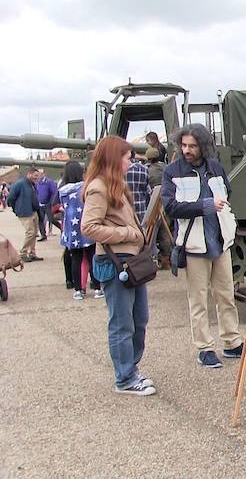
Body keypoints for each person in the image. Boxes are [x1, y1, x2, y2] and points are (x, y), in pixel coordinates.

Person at [161, 123, 246, 368]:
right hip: (194, 244)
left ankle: (232, 342)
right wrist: (204, 205)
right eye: (183, 145)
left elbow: (228, 191)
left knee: (226, 295)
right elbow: (170, 207)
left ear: (203, 147)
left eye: (192, 146)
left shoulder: (215, 167)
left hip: (220, 240)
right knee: (198, 299)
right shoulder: (172, 171)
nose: (186, 150)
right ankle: (204, 347)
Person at [81, 136, 156, 396]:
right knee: (122, 322)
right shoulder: (99, 187)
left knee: (139, 318)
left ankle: (131, 369)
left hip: (131, 261)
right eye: (127, 158)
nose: (131, 162)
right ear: (115, 158)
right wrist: (127, 233)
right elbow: (89, 227)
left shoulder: (117, 186)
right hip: (116, 263)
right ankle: (124, 377)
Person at [58, 161, 103, 300]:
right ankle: (97, 288)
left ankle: (78, 290)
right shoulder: (86, 187)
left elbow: (59, 206)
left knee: (76, 258)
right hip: (86, 223)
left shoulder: (62, 190)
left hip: (71, 226)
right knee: (91, 257)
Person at [6, 167, 43, 262]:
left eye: (37, 176)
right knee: (30, 233)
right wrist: (16, 209)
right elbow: (10, 198)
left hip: (33, 211)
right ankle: (23, 253)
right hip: (25, 213)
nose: (36, 178)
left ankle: (32, 253)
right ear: (29, 174)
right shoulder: (19, 184)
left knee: (34, 233)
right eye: (35, 176)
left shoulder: (32, 184)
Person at [145, 146, 171, 270]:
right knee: (166, 233)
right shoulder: (166, 168)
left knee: (152, 233)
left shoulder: (147, 171)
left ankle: (151, 260)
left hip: (153, 203)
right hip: (167, 202)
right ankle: (167, 259)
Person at [125, 149, 151, 223]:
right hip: (141, 210)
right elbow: (148, 192)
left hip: (125, 213)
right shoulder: (143, 169)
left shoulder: (118, 170)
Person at [35, 169, 59, 240]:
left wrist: (52, 203)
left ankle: (62, 228)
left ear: (43, 174)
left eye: (39, 174)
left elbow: (54, 193)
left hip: (48, 205)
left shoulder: (49, 182)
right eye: (37, 175)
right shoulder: (37, 183)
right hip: (40, 205)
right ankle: (43, 235)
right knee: (40, 220)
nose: (38, 176)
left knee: (52, 219)